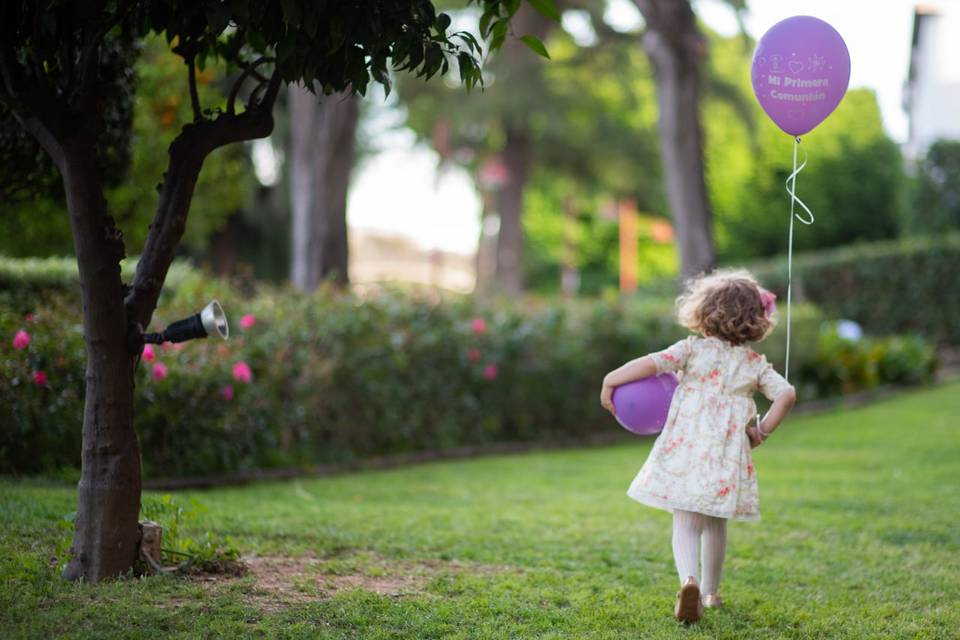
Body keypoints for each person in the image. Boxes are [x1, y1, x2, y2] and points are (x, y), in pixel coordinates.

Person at [600, 269, 797, 623]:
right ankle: (710, 592)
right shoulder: (754, 364)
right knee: (715, 522)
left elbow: (649, 365)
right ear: (756, 320)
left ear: (706, 312)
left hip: (686, 450)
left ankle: (687, 581)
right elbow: (786, 394)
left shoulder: (691, 350)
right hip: (726, 455)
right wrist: (761, 432)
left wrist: (610, 379)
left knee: (686, 521)